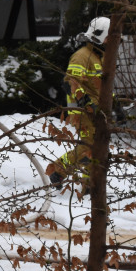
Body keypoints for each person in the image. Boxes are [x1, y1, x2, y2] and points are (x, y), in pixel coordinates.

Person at [47, 16, 109, 188]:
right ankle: (57, 171)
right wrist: (86, 103)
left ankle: (90, 184)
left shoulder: (100, 58)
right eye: (108, 37)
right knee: (88, 148)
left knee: (96, 148)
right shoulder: (82, 56)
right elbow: (70, 82)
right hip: (82, 112)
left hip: (95, 112)